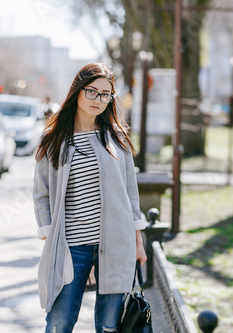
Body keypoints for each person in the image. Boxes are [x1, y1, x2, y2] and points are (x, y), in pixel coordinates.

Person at [33, 63, 147, 333]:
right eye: (92, 92)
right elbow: (41, 193)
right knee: (59, 323)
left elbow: (131, 194)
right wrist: (51, 237)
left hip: (116, 244)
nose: (99, 100)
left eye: (106, 94)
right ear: (78, 92)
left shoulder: (116, 139)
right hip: (71, 248)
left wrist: (138, 243)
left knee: (109, 327)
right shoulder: (53, 140)